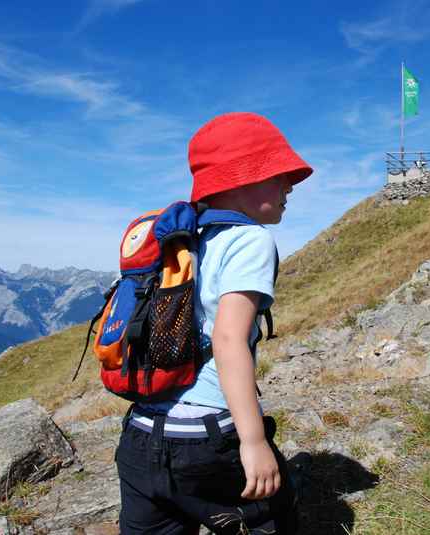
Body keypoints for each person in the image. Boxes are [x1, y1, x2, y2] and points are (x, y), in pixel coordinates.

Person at [115, 112, 313, 534]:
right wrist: (253, 441)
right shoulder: (250, 239)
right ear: (240, 179)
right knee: (273, 519)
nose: (290, 186)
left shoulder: (175, 243)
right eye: (278, 174)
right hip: (207, 443)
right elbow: (228, 339)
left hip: (139, 436)